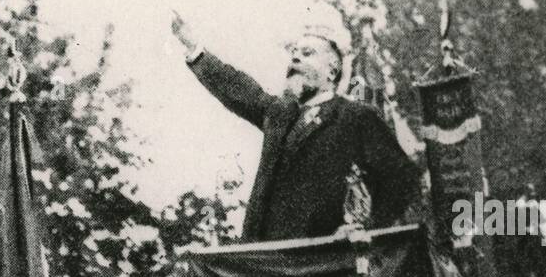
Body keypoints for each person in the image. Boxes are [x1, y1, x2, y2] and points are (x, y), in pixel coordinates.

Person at [169, 13, 419, 242]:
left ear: (332, 70)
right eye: (294, 53)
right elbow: (238, 88)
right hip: (265, 260)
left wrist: (366, 228)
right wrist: (194, 48)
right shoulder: (279, 114)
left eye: (308, 53)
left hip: (322, 263)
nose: (296, 57)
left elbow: (403, 179)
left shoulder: (355, 117)